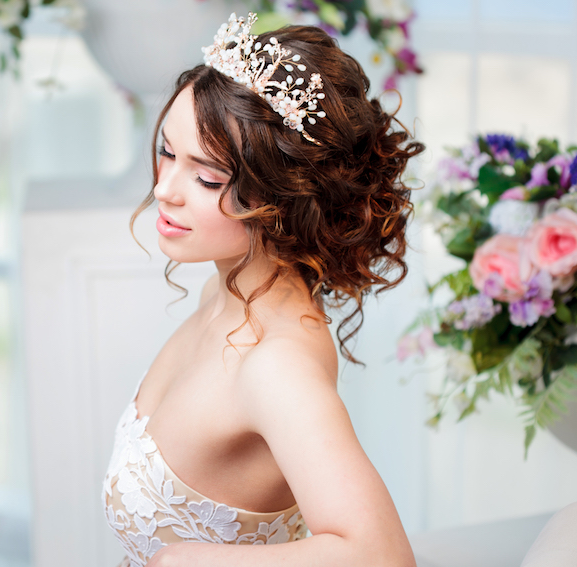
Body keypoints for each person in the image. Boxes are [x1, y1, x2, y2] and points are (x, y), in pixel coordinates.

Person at [103, 12, 424, 567]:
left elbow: (384, 556)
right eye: (166, 151)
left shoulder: (276, 367)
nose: (164, 190)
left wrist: (190, 562)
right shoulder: (224, 292)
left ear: (286, 194)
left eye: (206, 178)